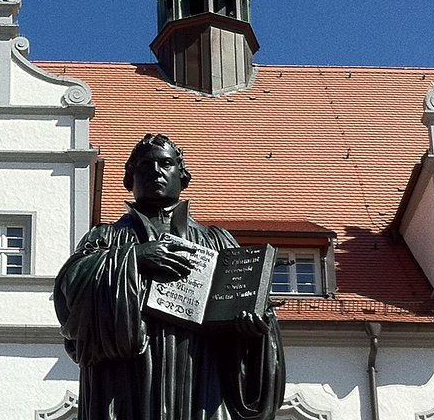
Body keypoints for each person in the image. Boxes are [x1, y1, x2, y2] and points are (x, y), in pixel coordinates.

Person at [54, 134, 285, 420]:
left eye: (165, 163)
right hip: (126, 380)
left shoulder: (217, 243)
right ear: (131, 178)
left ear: (182, 175)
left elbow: (249, 304)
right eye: (145, 166)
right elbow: (71, 294)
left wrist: (255, 332)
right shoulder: (105, 239)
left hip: (200, 376)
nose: (155, 171)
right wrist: (134, 257)